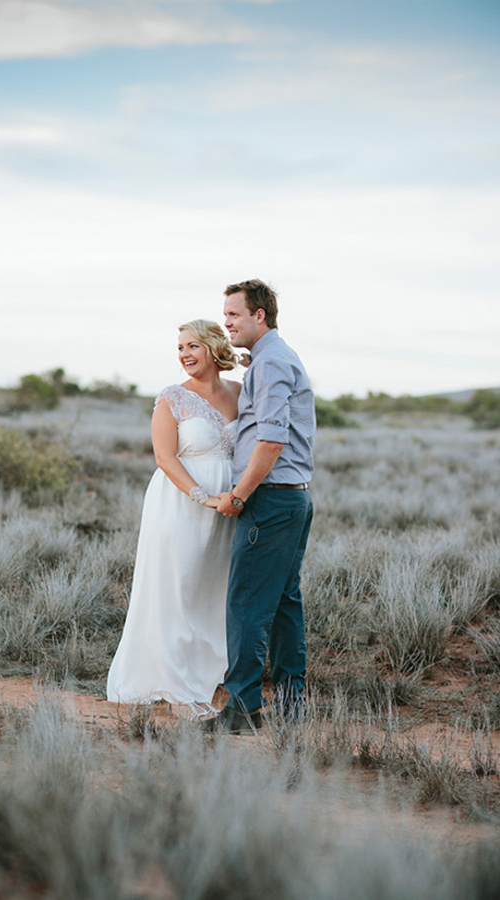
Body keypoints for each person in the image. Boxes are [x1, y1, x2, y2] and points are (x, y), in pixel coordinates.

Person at [107, 319, 241, 712]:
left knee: (213, 588)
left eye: (192, 346)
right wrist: (202, 497)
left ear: (214, 348)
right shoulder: (172, 398)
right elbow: (164, 458)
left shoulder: (240, 392)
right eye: (180, 348)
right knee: (177, 585)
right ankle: (169, 676)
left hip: (228, 508)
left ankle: (212, 673)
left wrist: (231, 498)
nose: (184, 354)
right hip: (181, 503)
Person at [202, 279, 315, 734]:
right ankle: (291, 706)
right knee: (285, 603)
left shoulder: (270, 365)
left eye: (232, 315)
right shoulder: (274, 358)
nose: (225, 323)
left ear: (259, 316)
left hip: (268, 500)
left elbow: (270, 440)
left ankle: (242, 709)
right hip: (292, 498)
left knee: (246, 603)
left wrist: (239, 495)